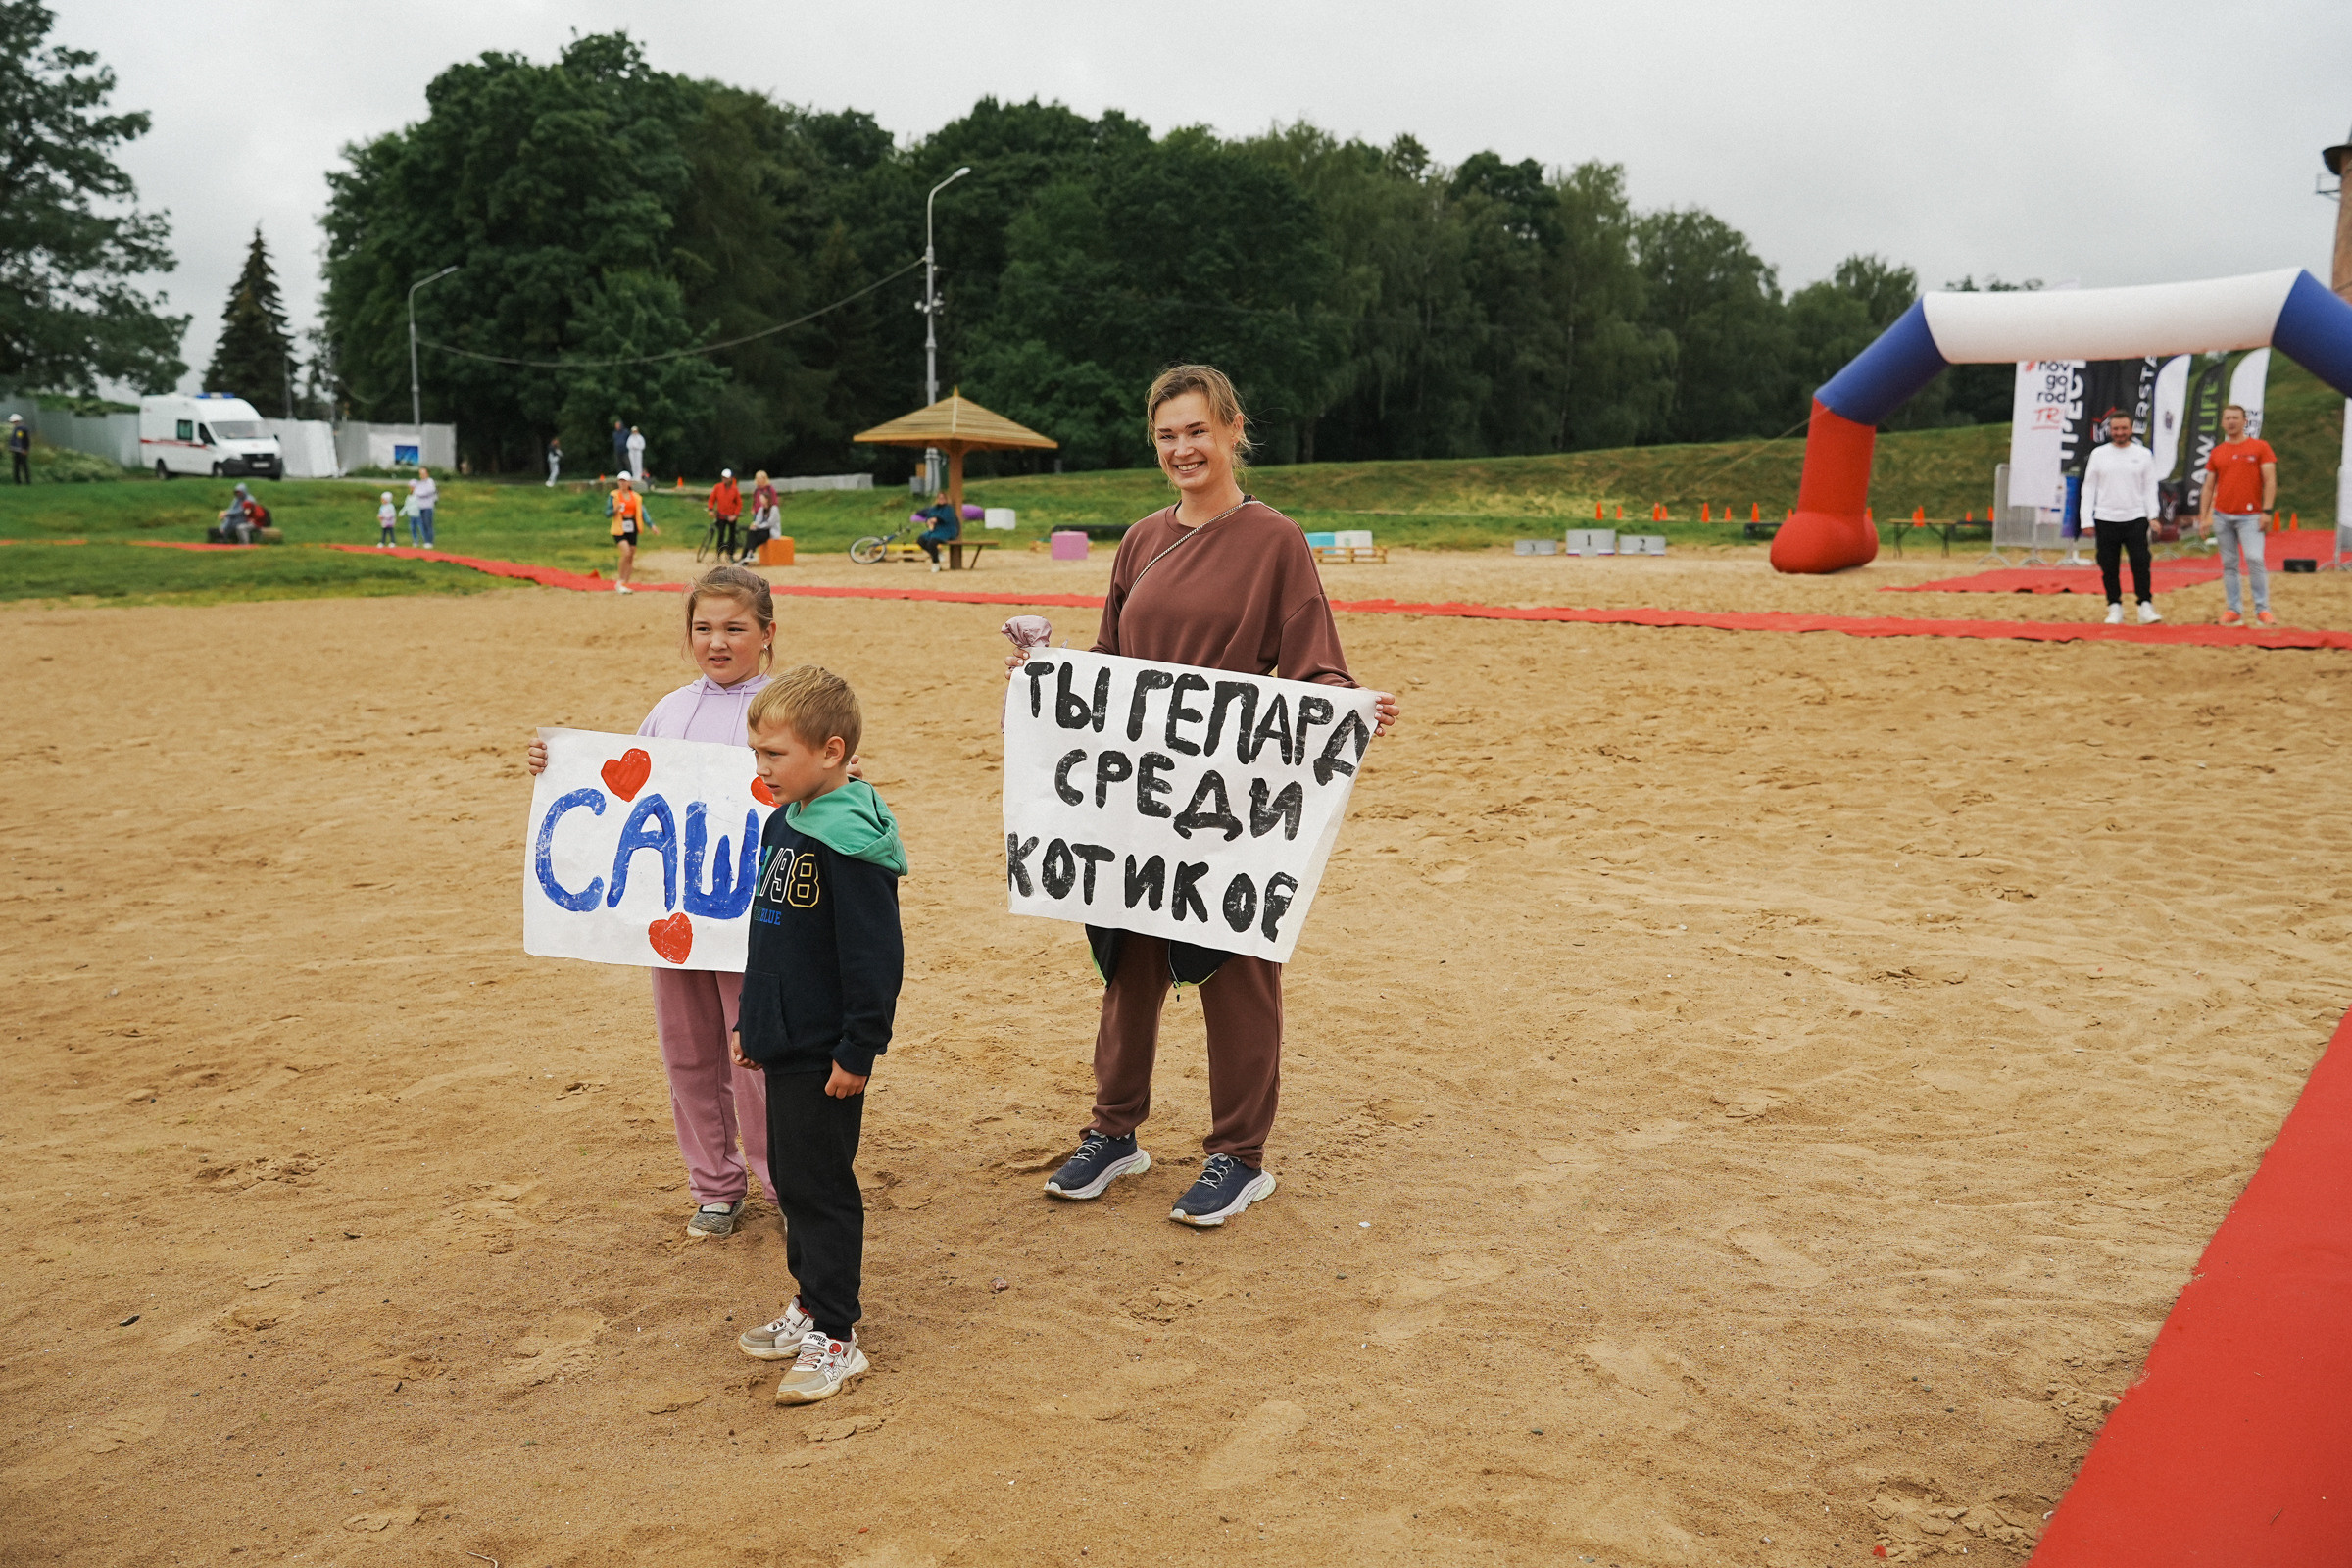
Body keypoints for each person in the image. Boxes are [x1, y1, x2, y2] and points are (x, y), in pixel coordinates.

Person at [1025, 364, 1398, 1227]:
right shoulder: (1139, 540)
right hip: (1141, 794)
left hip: (1231, 801)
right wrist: (1050, 682)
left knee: (1237, 970)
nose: (1183, 448)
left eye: (1197, 430)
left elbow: (1314, 663)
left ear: (1233, 428)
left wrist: (1347, 707)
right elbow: (1111, 666)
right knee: (1130, 962)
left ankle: (1239, 1155)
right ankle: (1114, 1132)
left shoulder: (1276, 541)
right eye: (1167, 436)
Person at [526, 565, 787, 1238]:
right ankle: (715, 1184)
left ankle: (785, 1182)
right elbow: (628, 801)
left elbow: (817, 781)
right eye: (703, 628)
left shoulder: (788, 707)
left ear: (767, 633)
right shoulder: (669, 711)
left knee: (757, 1055)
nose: (718, 642)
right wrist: (555, 767)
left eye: (735, 628)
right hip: (670, 920)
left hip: (751, 923)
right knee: (689, 1053)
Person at [729, 665, 905, 1403]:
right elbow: (770, 937)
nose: (761, 769)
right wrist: (753, 1021)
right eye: (757, 754)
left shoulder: (849, 843)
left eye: (775, 755)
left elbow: (874, 957)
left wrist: (858, 1047)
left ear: (832, 751)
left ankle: (837, 1332)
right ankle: (808, 1304)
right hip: (783, 1035)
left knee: (821, 1187)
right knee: (793, 1182)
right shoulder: (784, 819)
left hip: (828, 1052)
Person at [2198, 403, 2278, 626]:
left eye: (2235, 418)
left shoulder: (2260, 447)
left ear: (2245, 422)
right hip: (2223, 515)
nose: (2231, 422)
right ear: (2223, 423)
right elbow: (2208, 486)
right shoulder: (2217, 452)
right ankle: (2234, 608)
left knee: (2255, 559)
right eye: (2227, 418)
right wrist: (2204, 515)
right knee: (2229, 563)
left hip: (2251, 516)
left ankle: (2262, 608)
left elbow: (2270, 480)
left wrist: (2267, 510)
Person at [2080, 408, 2161, 625]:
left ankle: (2145, 605)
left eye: (2124, 428)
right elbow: (2089, 488)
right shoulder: (2099, 455)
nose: (2119, 432)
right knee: (2108, 565)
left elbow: (2149, 488)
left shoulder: (2143, 455)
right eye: (2115, 429)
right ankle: (2114, 606)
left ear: (2131, 429)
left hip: (2135, 516)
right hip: (2106, 518)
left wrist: (2153, 515)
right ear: (2110, 430)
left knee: (2141, 561)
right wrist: (2086, 519)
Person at [610, 474, 658, 594]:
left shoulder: (636, 497)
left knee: (631, 555)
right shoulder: (614, 496)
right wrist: (615, 509)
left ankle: (625, 583)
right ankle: (620, 581)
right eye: (620, 481)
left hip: (632, 528)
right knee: (626, 552)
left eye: (625, 481)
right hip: (619, 527)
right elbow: (607, 512)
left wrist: (651, 525)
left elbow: (643, 512)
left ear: (629, 483)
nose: (622, 483)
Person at [742, 470, 781, 563]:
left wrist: (771, 509)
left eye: (761, 479)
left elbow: (774, 502)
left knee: (756, 534)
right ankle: (746, 556)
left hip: (768, 517)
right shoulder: (757, 490)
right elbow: (755, 501)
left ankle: (747, 555)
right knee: (752, 532)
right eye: (757, 479)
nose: (759, 481)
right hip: (759, 513)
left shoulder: (770, 490)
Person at [913, 497, 960, 572]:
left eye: (943, 498)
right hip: (936, 531)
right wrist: (929, 523)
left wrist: (936, 519)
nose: (941, 500)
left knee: (932, 542)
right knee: (921, 540)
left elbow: (945, 519)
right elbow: (929, 519)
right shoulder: (934, 509)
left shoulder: (949, 509)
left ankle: (935, 563)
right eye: (939, 498)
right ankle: (937, 554)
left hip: (947, 531)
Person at [707, 468, 743, 561]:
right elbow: (712, 499)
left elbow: (739, 503)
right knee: (721, 534)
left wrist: (735, 515)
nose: (724, 479)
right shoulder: (718, 487)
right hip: (721, 516)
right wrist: (710, 509)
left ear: (731, 478)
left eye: (726, 478)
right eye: (723, 477)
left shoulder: (734, 489)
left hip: (731, 516)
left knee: (731, 536)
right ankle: (718, 555)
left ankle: (730, 555)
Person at [411, 466, 440, 548]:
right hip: (421, 506)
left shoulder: (430, 482)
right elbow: (415, 492)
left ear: (427, 473)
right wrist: (420, 493)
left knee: (428, 524)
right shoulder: (420, 483)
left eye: (423, 473)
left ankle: (430, 541)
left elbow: (429, 491)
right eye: (421, 474)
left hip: (428, 506)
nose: (422, 475)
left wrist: (421, 493)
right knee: (423, 524)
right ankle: (426, 540)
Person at [8, 414, 28, 484]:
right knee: (16, 466)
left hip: (21, 450)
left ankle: (27, 481)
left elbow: (23, 440)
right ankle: (17, 482)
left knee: (24, 466)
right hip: (16, 450)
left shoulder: (21, 430)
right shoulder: (16, 429)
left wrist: (25, 449)